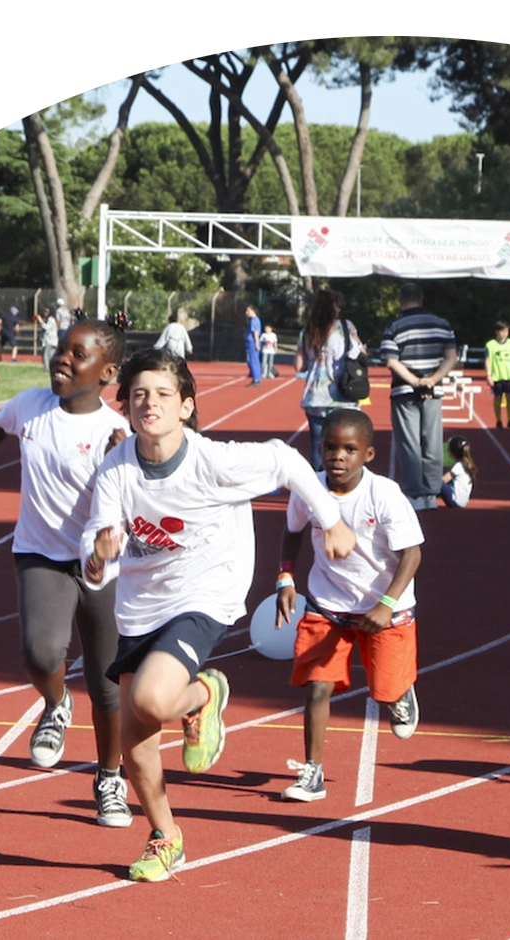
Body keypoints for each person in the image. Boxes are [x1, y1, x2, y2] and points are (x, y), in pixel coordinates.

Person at [80, 348, 357, 882]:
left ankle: (207, 692)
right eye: (139, 395)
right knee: (134, 735)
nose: (149, 403)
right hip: (140, 605)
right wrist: (100, 554)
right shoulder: (115, 470)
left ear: (185, 407)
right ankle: (166, 837)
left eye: (162, 394)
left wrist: (331, 520)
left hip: (206, 591)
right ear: (127, 408)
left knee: (150, 698)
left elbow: (283, 459)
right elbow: (95, 561)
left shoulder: (211, 460)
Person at [0, 319, 136, 827]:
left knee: (108, 685)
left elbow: (134, 500)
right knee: (40, 652)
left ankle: (109, 777)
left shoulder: (116, 432)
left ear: (107, 372)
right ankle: (57, 701)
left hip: (104, 565)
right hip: (41, 555)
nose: (61, 359)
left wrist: (119, 462)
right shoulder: (29, 406)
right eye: (60, 349)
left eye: (77, 354)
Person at [274, 409, 424, 802]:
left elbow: (412, 554)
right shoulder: (310, 489)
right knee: (317, 688)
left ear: (368, 455)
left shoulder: (384, 494)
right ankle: (313, 772)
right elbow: (292, 533)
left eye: (349, 449)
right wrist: (286, 577)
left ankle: (400, 692)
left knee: (385, 692)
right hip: (328, 604)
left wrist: (387, 604)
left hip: (384, 606)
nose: (337, 456)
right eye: (330, 447)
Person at [381, 281, 459, 512]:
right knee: (433, 442)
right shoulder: (441, 324)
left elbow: (391, 359)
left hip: (404, 391)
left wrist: (414, 381)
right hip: (433, 390)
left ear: (401, 302)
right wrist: (432, 380)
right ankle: (432, 492)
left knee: (409, 444)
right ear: (422, 299)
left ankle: (415, 494)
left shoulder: (394, 326)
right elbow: (451, 357)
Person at [295, 289, 365, 463]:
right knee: (347, 444)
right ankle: (344, 483)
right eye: (337, 305)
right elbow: (360, 352)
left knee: (319, 446)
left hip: (315, 397)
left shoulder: (307, 331)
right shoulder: (346, 327)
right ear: (332, 307)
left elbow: (298, 366)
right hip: (343, 394)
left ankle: (318, 485)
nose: (339, 309)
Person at [485, 319, 510, 429]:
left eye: (506, 331)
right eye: (502, 331)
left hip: (509, 376)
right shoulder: (490, 345)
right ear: (497, 332)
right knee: (497, 398)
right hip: (497, 376)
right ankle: (498, 420)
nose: (505, 334)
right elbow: (488, 360)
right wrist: (488, 375)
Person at [438, 436, 476, 508]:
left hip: (455, 501)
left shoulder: (459, 466)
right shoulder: (465, 464)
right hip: (462, 501)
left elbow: (444, 480)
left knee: (438, 482)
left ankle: (425, 499)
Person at [244, 304, 265, 386]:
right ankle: (257, 376)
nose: (246, 313)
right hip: (251, 342)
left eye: (248, 311)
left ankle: (256, 379)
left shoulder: (254, 320)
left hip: (252, 342)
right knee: (252, 360)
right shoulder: (255, 320)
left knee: (253, 360)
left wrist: (256, 343)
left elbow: (255, 333)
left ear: (253, 311)